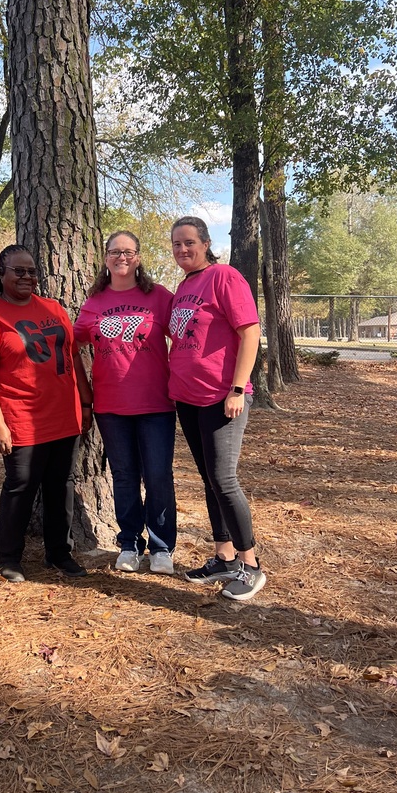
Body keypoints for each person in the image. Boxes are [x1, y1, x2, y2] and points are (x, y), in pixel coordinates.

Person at [0, 244, 92, 583]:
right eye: (18, 271)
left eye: (32, 271)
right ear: (1, 274)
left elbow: (74, 356)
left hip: (65, 415)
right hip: (21, 418)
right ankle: (9, 557)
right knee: (21, 487)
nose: (26, 277)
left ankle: (59, 553)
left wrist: (86, 400)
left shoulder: (53, 308)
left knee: (60, 487)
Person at [168, 216, 265, 601]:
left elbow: (250, 331)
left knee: (224, 479)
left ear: (206, 243)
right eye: (176, 244)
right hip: (187, 398)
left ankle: (251, 564)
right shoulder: (184, 285)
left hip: (221, 396)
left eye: (189, 242)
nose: (182, 250)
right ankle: (223, 556)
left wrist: (238, 388)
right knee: (210, 478)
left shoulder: (224, 276)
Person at [74, 231, 177, 574]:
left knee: (159, 475)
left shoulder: (160, 297)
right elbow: (70, 346)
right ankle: (130, 542)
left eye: (129, 251)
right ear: (105, 258)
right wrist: (85, 396)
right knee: (124, 476)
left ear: (138, 257)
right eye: (115, 252)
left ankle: (162, 547)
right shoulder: (93, 303)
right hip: (111, 405)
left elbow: (190, 335)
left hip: (156, 403)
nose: (122, 257)